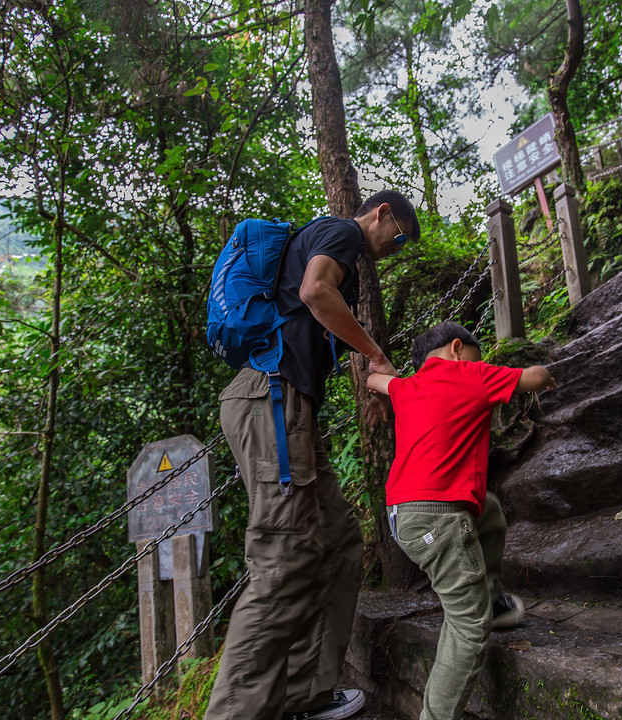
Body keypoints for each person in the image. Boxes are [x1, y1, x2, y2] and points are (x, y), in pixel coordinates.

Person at [204, 191, 420, 720]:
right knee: (285, 556)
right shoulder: (341, 233)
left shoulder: (333, 246)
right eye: (399, 238)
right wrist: (375, 353)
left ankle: (307, 694)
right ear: (382, 213)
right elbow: (315, 291)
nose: (396, 249)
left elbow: (315, 312)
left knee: (339, 541)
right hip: (271, 399)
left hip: (287, 406)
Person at [366, 321, 556, 720]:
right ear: (457, 348)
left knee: (488, 510)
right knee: (468, 625)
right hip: (440, 519)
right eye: (476, 356)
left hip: (403, 515)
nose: (479, 363)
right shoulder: (471, 374)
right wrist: (548, 377)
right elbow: (533, 377)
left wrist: (380, 395)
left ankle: (494, 602)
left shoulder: (407, 387)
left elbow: (378, 381)